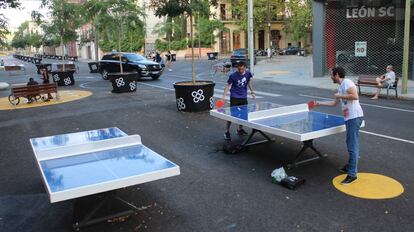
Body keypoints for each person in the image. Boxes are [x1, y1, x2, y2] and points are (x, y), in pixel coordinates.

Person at [315, 66, 364, 185]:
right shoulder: (341, 87)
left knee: (352, 145)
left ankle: (352, 174)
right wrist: (319, 103)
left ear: (337, 75)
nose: (331, 76)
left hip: (354, 117)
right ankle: (350, 166)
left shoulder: (347, 82)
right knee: (351, 143)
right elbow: (334, 103)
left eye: (332, 74)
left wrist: (339, 96)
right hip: (350, 118)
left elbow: (355, 96)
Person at [221, 61, 256, 140]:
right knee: (232, 115)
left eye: (242, 69)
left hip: (243, 97)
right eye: (239, 69)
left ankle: (240, 129)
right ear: (237, 68)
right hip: (234, 97)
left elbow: (249, 82)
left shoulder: (248, 73)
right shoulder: (233, 76)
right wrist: (223, 96)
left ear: (245, 68)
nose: (240, 71)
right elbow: (227, 85)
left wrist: (252, 92)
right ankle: (227, 131)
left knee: (243, 114)